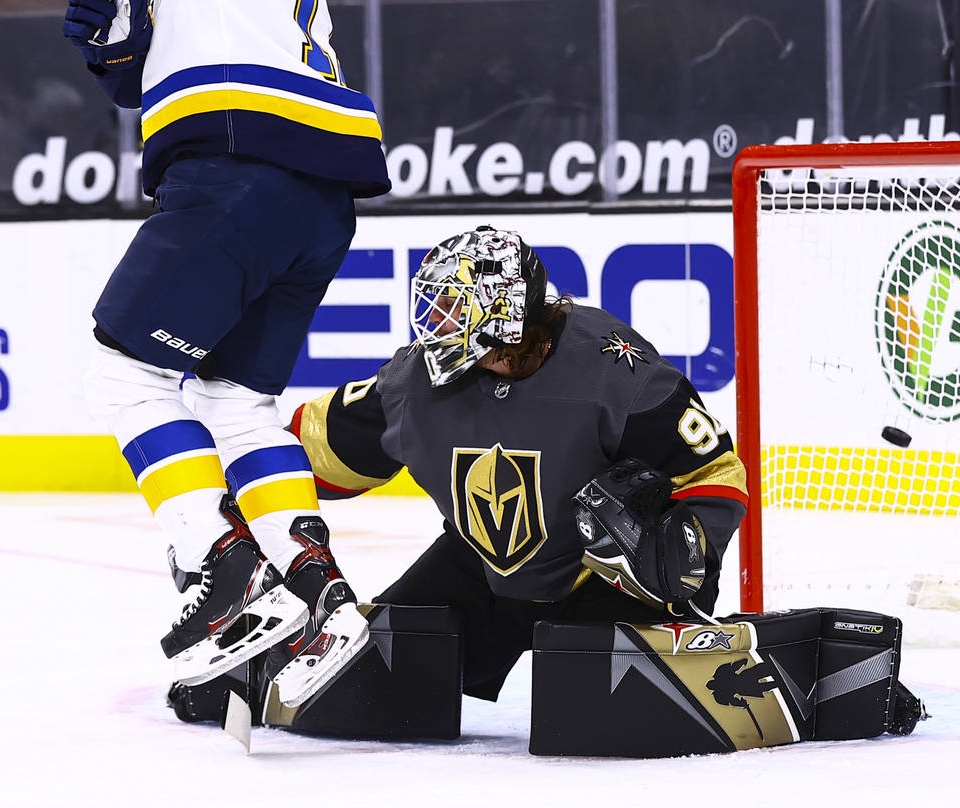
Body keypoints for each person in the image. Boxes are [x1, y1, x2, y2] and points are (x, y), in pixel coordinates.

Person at [63, 0, 391, 706]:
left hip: (235, 150)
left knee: (124, 376)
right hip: (325, 184)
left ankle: (223, 563)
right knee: (236, 402)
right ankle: (320, 595)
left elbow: (117, 44)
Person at [289, 226, 748, 701]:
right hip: (485, 562)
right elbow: (309, 450)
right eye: (437, 308)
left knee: (597, 720)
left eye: (455, 308)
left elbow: (716, 474)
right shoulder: (415, 383)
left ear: (507, 312)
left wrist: (678, 555)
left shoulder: (616, 369)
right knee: (362, 683)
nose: (440, 324)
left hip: (608, 575)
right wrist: (235, 488)